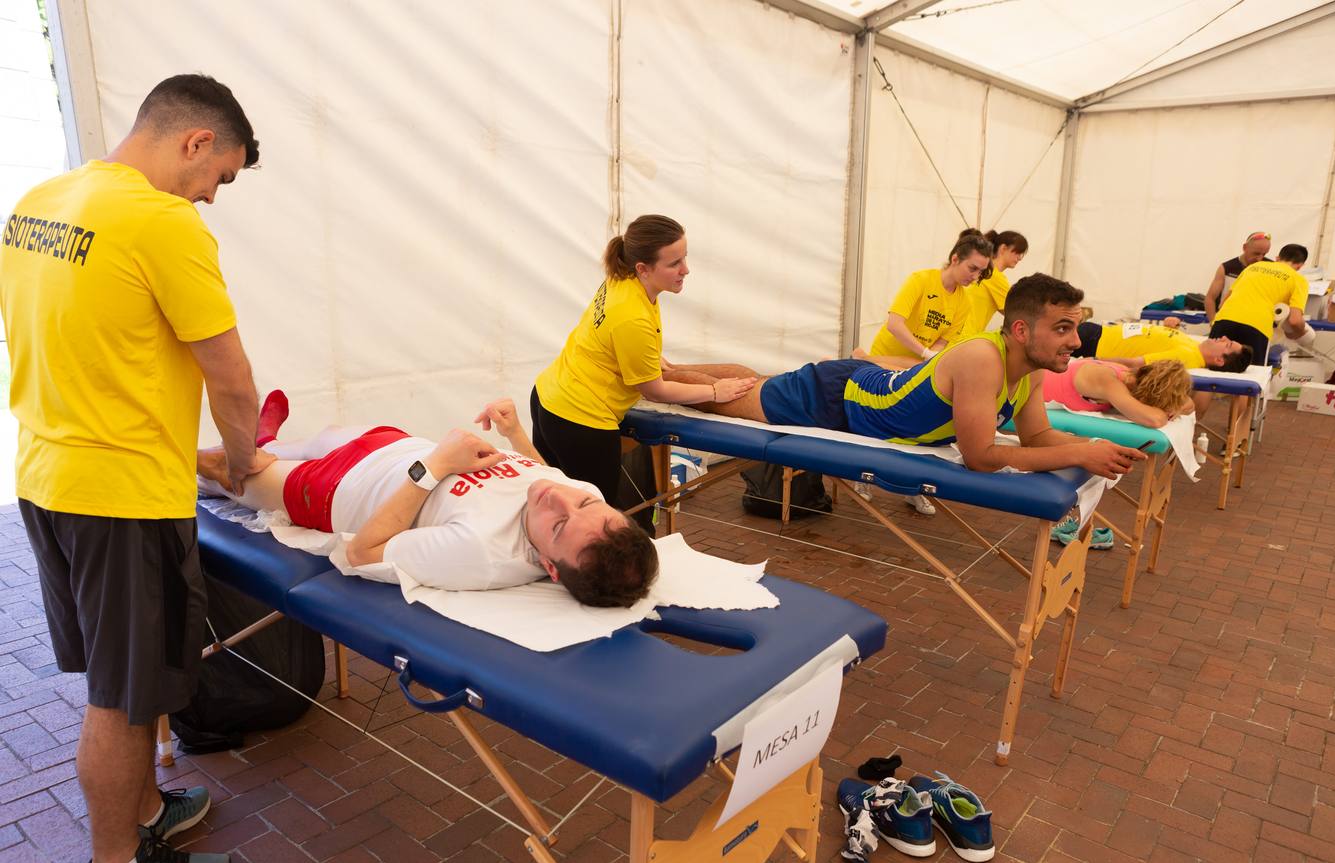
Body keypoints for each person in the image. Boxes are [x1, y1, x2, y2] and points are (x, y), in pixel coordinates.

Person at [0, 75, 268, 863]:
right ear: (195, 142)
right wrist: (244, 458)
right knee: (123, 698)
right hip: (117, 503)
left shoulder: (42, 201)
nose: (211, 197)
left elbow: (92, 363)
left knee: (122, 676)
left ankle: (147, 806)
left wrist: (195, 459)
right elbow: (231, 382)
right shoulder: (161, 221)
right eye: (218, 176)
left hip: (50, 480)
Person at [668, 273, 1146, 480]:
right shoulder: (984, 358)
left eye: (1075, 327)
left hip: (865, 382)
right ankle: (660, 377)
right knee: (725, 400)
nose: (1076, 341)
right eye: (1063, 328)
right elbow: (981, 457)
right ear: (1021, 330)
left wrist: (1099, 452)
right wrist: (1081, 452)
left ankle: (667, 368)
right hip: (838, 398)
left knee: (753, 383)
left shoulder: (1030, 370)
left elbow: (1037, 434)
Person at [199, 396, 658, 606]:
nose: (557, 497)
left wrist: (436, 467)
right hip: (392, 445)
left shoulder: (483, 553)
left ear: (550, 567)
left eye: (558, 525)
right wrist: (516, 434)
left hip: (331, 490)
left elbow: (361, 554)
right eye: (584, 505)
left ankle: (201, 464)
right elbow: (547, 476)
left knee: (227, 473)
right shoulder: (590, 503)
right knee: (313, 438)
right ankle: (267, 443)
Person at [532, 215, 755, 509]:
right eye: (674, 263)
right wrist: (716, 392)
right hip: (579, 420)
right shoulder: (632, 315)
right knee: (593, 517)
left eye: (684, 258)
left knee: (555, 511)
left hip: (549, 396)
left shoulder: (622, 277)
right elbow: (655, 391)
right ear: (643, 268)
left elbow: (603, 334)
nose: (685, 270)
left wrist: (639, 357)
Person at [859, 231, 992, 362]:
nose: (975, 277)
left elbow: (942, 341)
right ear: (955, 259)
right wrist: (925, 352)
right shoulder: (921, 280)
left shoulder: (964, 303)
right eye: (972, 268)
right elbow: (894, 324)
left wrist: (930, 356)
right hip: (883, 357)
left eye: (980, 272)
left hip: (912, 368)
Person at [1210, 243, 1315, 366]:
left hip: (1224, 319)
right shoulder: (1299, 280)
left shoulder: (1253, 267)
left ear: (1278, 258)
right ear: (1300, 265)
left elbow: (1224, 302)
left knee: (1211, 368)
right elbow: (1295, 321)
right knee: (1252, 376)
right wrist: (1299, 333)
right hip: (1257, 327)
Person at [1041, 358, 1194, 427]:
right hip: (1025, 387)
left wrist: (1176, 407)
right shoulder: (1108, 379)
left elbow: (1190, 404)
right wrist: (1165, 409)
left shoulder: (1130, 377)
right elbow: (1154, 420)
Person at [1074, 319, 1252, 372]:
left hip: (1095, 342)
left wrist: (1095, 360)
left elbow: (1137, 363)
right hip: (1101, 332)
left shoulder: (1186, 358)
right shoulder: (1194, 346)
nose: (1223, 337)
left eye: (1227, 344)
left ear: (1219, 360)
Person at [961, 229, 1027, 336]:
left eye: (1022, 254)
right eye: (1017, 252)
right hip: (964, 336)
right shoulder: (994, 276)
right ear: (1003, 248)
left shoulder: (985, 271)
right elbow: (1014, 311)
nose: (1019, 258)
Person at [1204, 231, 1272, 322]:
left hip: (1255, 323)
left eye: (1264, 254)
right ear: (1245, 248)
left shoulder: (1271, 268)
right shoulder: (1227, 268)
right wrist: (1213, 322)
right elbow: (1210, 298)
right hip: (1227, 320)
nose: (1259, 259)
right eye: (1256, 253)